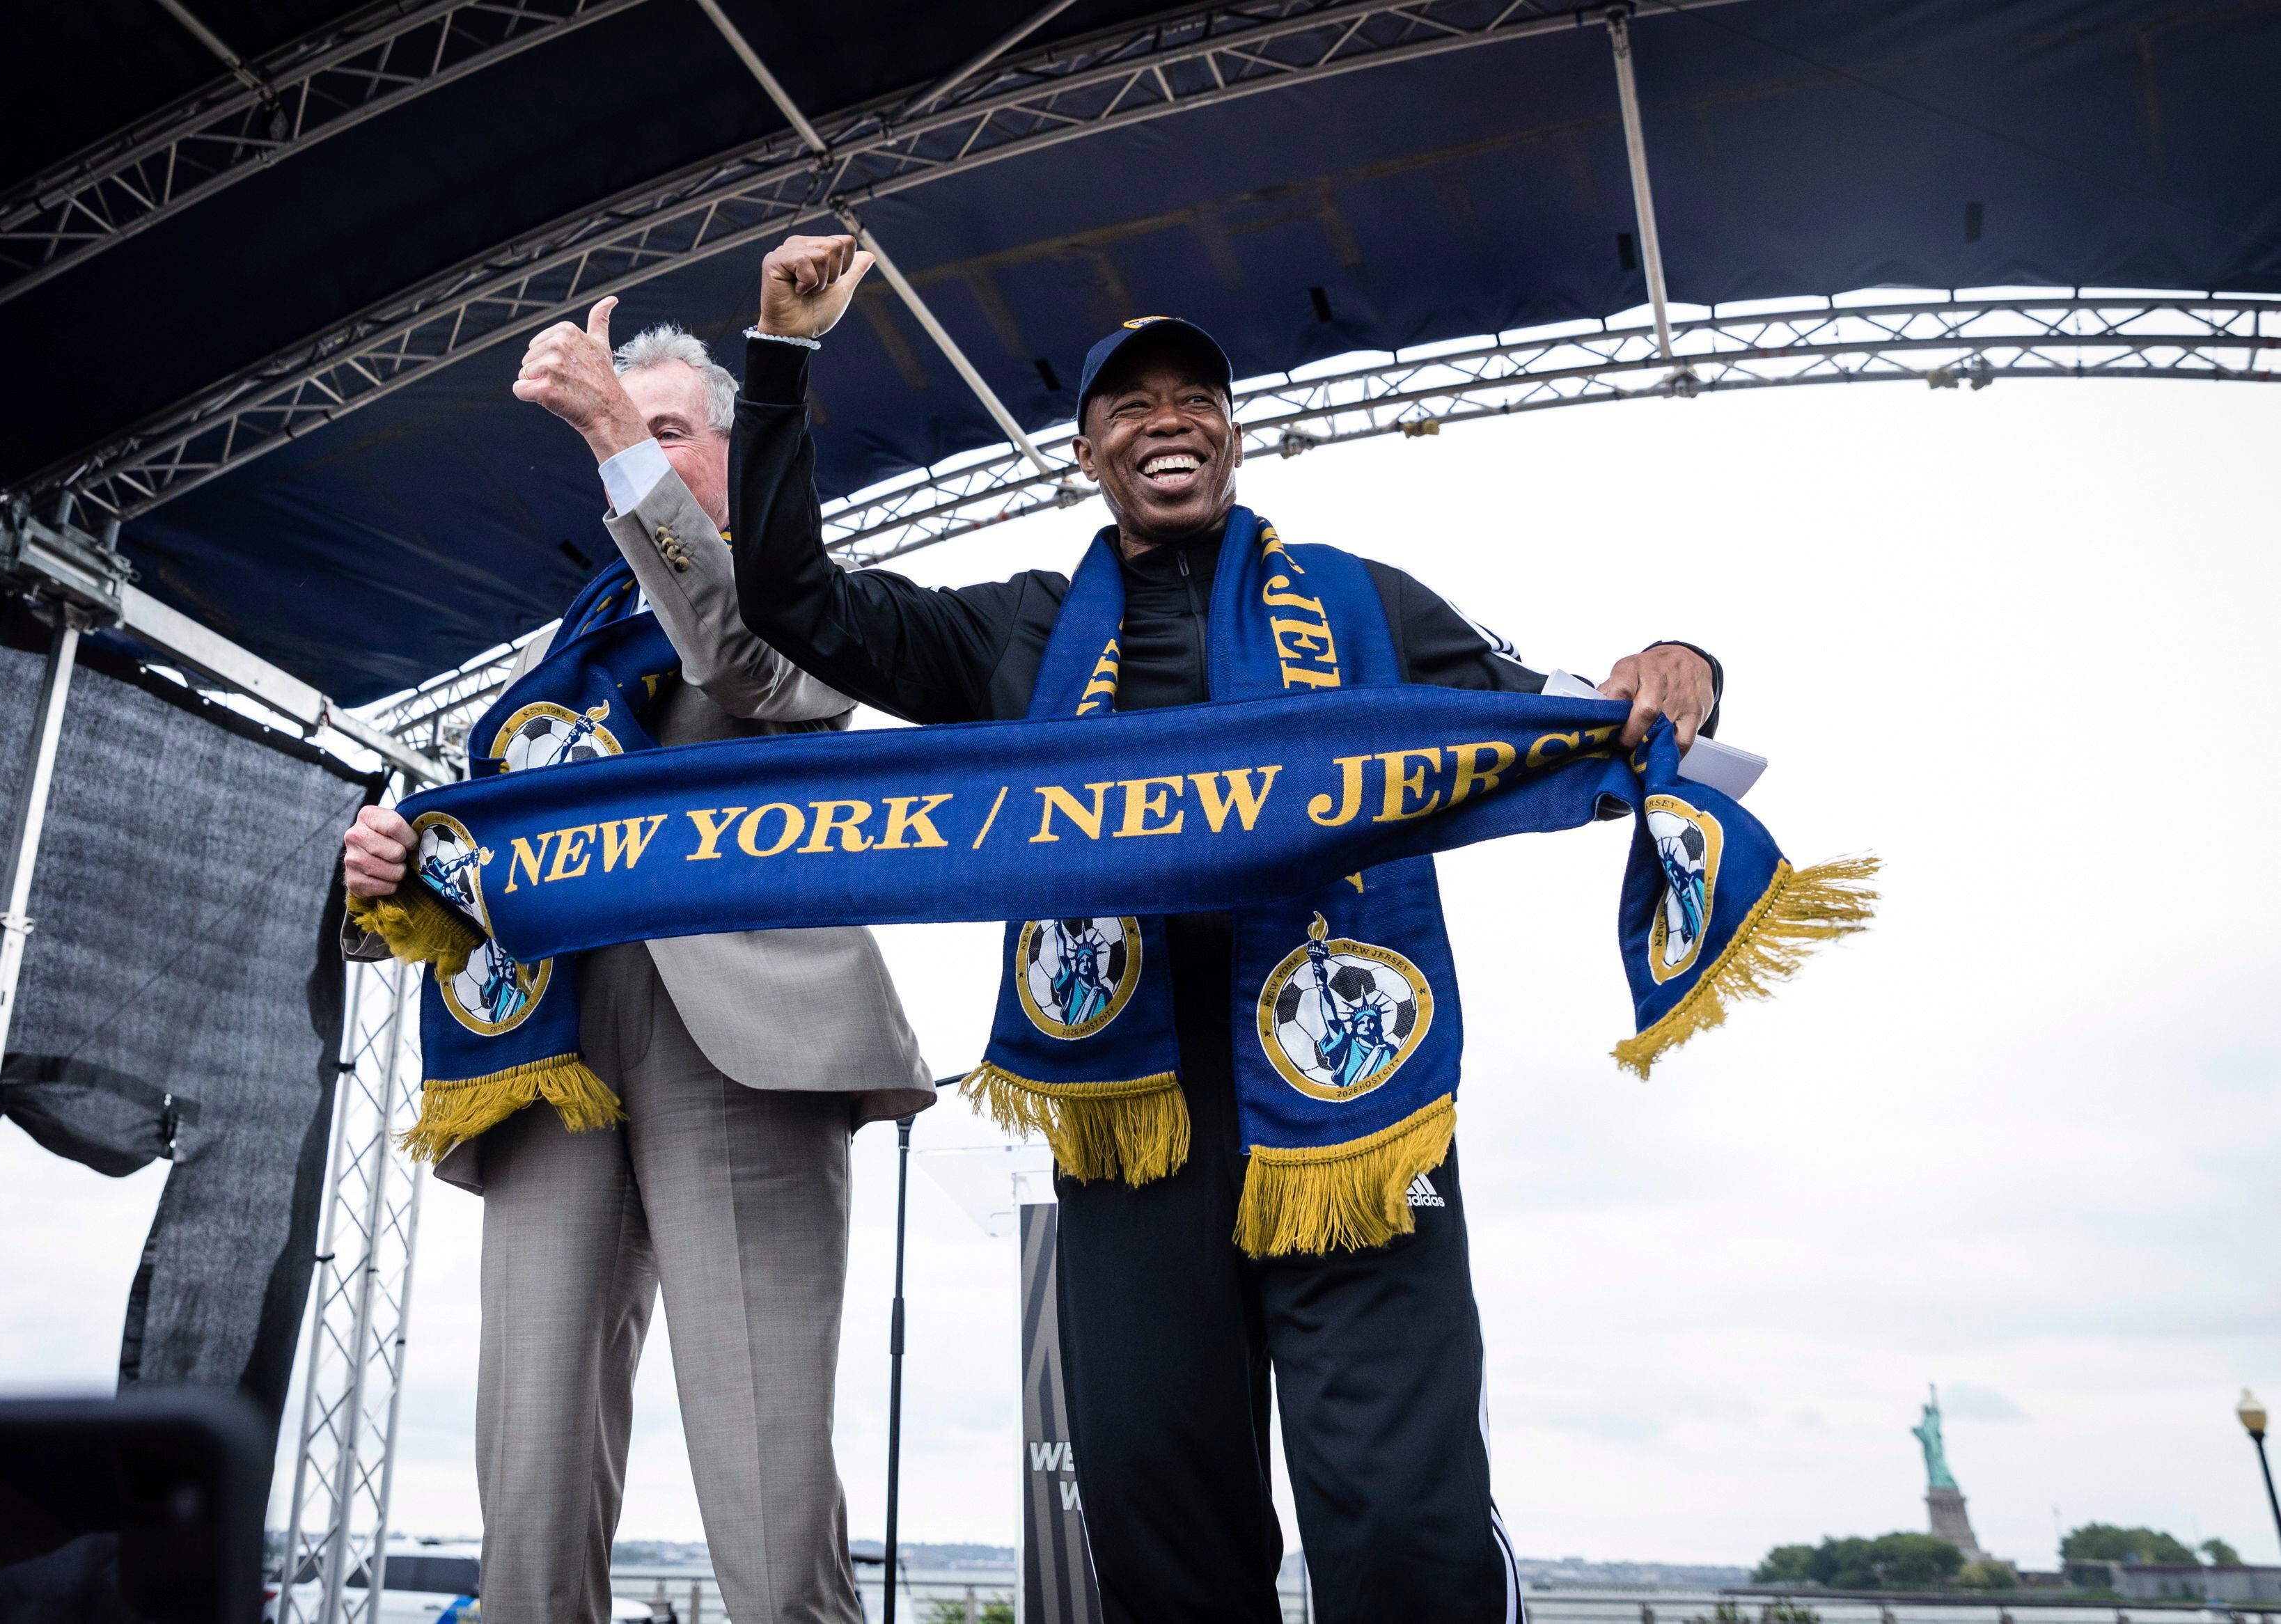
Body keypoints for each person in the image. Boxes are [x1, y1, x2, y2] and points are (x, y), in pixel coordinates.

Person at [725, 234, 1724, 1624]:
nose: (1167, 418)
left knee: (1401, 1531)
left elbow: (1557, 714)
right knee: (1161, 1536)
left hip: (1350, 1114)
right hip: (1138, 1136)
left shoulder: (1368, 602)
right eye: (1130, 405)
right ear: (1084, 453)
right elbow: (789, 602)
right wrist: (782, 355)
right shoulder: (1010, 638)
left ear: (1235, 437)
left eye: (1195, 395)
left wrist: (1681, 669)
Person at [338, 297, 932, 1624]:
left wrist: (614, 429)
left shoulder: (793, 569)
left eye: (666, 430)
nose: (633, 450)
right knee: (529, 1473)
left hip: (739, 1027)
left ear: (726, 452)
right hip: (549, 1036)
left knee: (768, 1478)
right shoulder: (578, 632)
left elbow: (754, 663)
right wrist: (397, 864)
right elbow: (513, 822)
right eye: (623, 427)